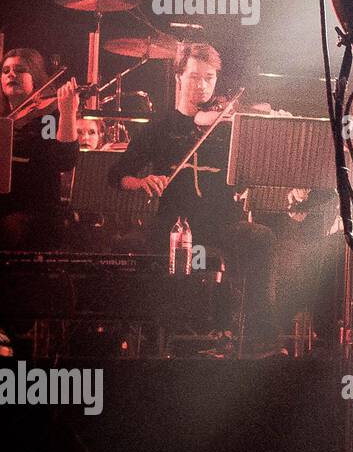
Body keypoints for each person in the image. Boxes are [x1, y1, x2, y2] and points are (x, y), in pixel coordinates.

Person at [110, 42, 278, 353]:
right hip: (174, 224)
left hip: (221, 222)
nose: (202, 86)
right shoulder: (159, 128)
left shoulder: (227, 126)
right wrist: (141, 181)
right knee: (148, 245)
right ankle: (154, 336)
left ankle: (257, 337)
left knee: (261, 238)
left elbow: (256, 166)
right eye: (194, 77)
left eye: (209, 78)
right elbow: (118, 175)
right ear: (179, 77)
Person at [0, 47, 80, 249]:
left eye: (19, 70)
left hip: (32, 209)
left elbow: (63, 159)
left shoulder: (46, 118)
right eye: (6, 70)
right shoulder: (3, 117)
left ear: (34, 76)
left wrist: (68, 112)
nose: (11, 74)